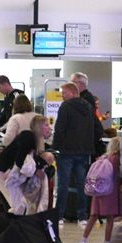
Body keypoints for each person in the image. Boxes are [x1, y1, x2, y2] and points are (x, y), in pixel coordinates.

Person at [51, 82, 101, 223]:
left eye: (64, 93)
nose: (62, 96)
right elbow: (98, 129)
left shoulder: (65, 107)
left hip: (66, 151)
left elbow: (60, 129)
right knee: (81, 185)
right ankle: (82, 216)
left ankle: (59, 215)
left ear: (73, 93)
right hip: (84, 151)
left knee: (63, 184)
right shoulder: (89, 107)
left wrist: (55, 147)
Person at [0, 114, 52, 214]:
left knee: (20, 205)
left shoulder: (36, 141)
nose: (50, 128)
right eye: (46, 125)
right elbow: (19, 160)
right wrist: (36, 171)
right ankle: (9, 227)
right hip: (0, 171)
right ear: (39, 126)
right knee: (18, 205)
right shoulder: (28, 136)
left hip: (5, 171)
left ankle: (13, 226)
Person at [78, 138, 122, 243]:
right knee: (110, 218)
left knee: (93, 216)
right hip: (110, 192)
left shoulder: (104, 157)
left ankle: (83, 242)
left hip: (98, 191)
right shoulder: (116, 158)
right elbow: (120, 175)